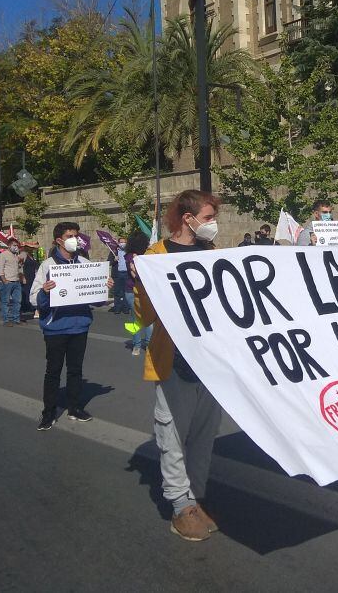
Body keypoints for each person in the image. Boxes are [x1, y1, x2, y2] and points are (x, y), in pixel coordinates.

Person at [134, 189, 225, 541]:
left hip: (212, 365)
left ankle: (196, 498)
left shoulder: (213, 253)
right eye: (208, 218)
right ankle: (179, 505)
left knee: (204, 436)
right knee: (172, 437)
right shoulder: (156, 256)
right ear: (188, 220)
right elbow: (143, 319)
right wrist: (141, 284)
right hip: (175, 364)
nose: (213, 225)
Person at [31, 222, 114, 430]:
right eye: (69, 236)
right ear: (59, 240)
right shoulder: (47, 266)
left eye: (76, 235)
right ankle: (48, 412)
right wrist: (45, 292)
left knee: (75, 370)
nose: (74, 240)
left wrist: (103, 289)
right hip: (56, 327)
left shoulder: (84, 262)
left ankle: (74, 407)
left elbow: (95, 299)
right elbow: (33, 298)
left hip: (80, 326)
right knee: (53, 371)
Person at [125, 231, 151, 356]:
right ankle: (137, 345)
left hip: (146, 290)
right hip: (132, 290)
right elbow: (134, 274)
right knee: (135, 319)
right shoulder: (130, 257)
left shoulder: (147, 255)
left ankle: (149, 344)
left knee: (149, 319)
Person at [0, 237, 24, 326]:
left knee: (17, 301)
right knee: (6, 302)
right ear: (9, 245)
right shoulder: (3, 255)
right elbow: (0, 269)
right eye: (14, 245)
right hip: (8, 281)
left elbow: (18, 268)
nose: (16, 247)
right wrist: (4, 280)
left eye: (17, 245)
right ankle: (6, 320)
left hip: (16, 281)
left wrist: (20, 262)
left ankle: (16, 318)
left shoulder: (16, 255)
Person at [110, 236, 131, 313]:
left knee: (126, 291)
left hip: (127, 274)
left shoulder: (129, 251)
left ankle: (126, 308)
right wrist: (114, 260)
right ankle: (117, 308)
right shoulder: (113, 251)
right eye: (121, 242)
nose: (122, 244)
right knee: (117, 292)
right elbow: (109, 262)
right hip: (117, 274)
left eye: (124, 242)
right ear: (118, 243)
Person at [20, 243, 39, 320]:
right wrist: (22, 277)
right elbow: (19, 266)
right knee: (26, 291)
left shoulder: (33, 256)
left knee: (32, 291)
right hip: (26, 276)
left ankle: (30, 306)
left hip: (32, 276)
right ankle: (25, 307)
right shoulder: (23, 254)